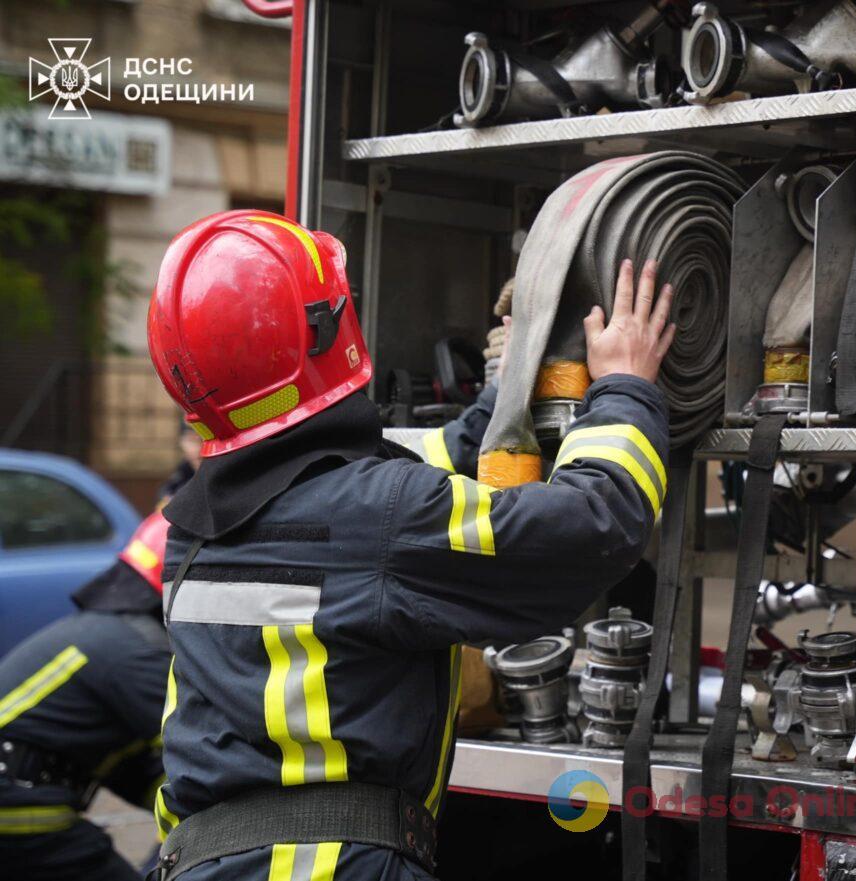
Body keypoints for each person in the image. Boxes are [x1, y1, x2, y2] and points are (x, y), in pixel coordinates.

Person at [147, 210, 676, 881]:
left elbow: (405, 477)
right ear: (325, 329)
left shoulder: (193, 531)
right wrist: (626, 388)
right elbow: (595, 526)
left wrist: (504, 391)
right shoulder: (378, 513)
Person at [0, 512, 172, 881]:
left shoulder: (107, 633)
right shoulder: (138, 651)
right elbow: (196, 753)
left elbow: (138, 770)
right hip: (18, 801)